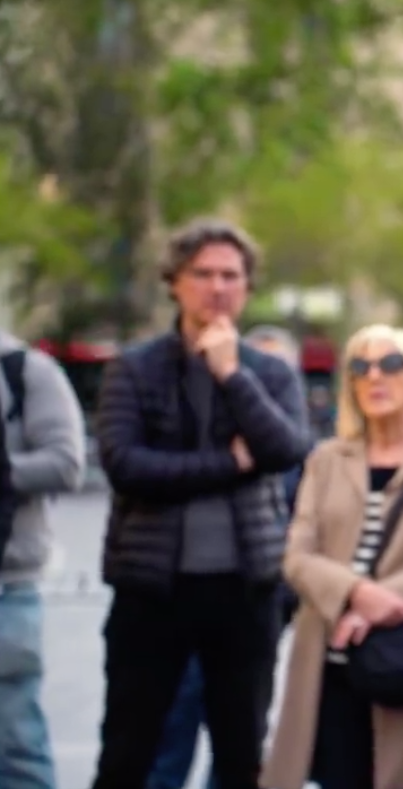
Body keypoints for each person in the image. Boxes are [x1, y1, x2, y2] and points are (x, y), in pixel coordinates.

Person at [90, 218, 310, 789]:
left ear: (247, 287)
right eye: (203, 274)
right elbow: (127, 467)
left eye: (231, 276)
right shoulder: (134, 368)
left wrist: (232, 375)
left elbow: (286, 450)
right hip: (151, 589)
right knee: (126, 755)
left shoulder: (270, 373)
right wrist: (230, 464)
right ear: (174, 282)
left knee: (241, 756)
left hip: (245, 591)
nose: (217, 287)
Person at [261, 324, 403, 789]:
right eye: (360, 367)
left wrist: (384, 601)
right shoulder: (327, 458)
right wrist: (355, 593)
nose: (374, 377)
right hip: (328, 660)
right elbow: (297, 553)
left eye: (389, 364)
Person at [146, 324, 308, 789]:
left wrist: (284, 595)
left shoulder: (299, 452)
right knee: (171, 732)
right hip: (187, 601)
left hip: (257, 604)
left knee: (238, 743)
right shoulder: (199, 435)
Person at [0, 330, 85, 789]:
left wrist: (5, 469)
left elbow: (67, 462)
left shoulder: (23, 369)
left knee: (15, 744)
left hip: (6, 586)